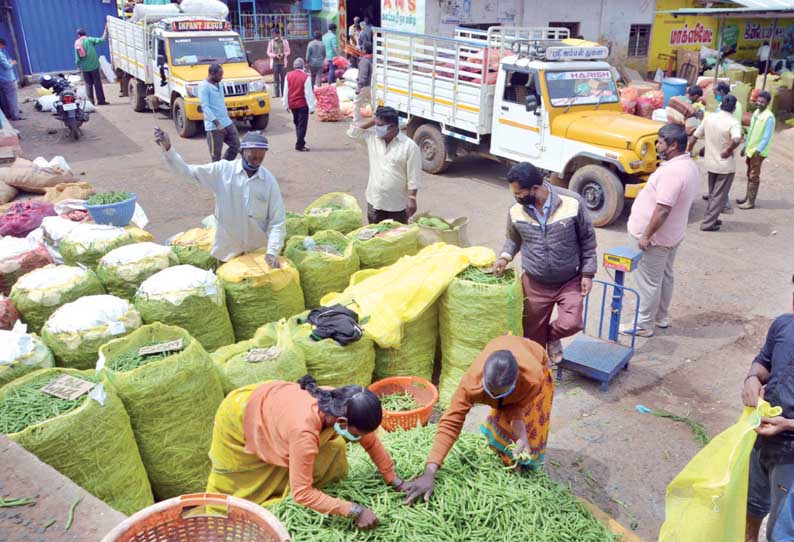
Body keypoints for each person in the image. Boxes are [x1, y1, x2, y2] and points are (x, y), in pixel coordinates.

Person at [206, 376, 406, 529]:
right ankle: (225, 517)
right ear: (342, 423)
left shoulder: (339, 403)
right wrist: (355, 511)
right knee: (247, 482)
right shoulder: (304, 432)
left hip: (278, 408)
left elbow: (370, 442)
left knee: (332, 449)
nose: (361, 437)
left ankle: (311, 488)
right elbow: (301, 494)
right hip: (242, 417)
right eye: (356, 434)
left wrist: (394, 479)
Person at [402, 336, 554, 503]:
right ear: (484, 380)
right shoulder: (471, 382)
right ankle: (504, 454)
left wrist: (522, 435)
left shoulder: (532, 378)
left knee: (530, 426)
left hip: (535, 359)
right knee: (502, 422)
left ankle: (521, 464)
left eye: (501, 393)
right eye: (491, 392)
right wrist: (429, 472)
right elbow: (451, 422)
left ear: (514, 383)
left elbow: (518, 406)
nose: (495, 397)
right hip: (503, 354)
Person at [493, 162, 597, 364]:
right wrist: (504, 257)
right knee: (532, 336)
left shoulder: (572, 202)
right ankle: (539, 371)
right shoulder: (516, 211)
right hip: (535, 283)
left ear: (535, 188)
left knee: (572, 323)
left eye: (520, 193)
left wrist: (588, 273)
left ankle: (553, 336)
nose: (516, 197)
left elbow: (587, 239)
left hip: (569, 280)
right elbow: (513, 239)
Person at [155, 128, 285, 266]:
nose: (256, 162)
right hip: (227, 252)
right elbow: (188, 172)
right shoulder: (222, 171)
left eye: (261, 158)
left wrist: (272, 251)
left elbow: (277, 221)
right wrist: (168, 148)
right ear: (242, 152)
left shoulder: (269, 181)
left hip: (257, 252)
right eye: (252, 157)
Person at [620, 124, 698, 338]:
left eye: (661, 142)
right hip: (671, 235)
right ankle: (661, 316)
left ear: (673, 145)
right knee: (664, 276)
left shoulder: (674, 172)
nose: (657, 145)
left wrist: (646, 235)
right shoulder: (688, 165)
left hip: (656, 238)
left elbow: (663, 209)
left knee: (648, 282)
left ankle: (644, 324)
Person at [741, 292, 794, 542]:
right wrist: (752, 378)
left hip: (790, 455)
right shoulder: (784, 324)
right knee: (751, 508)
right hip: (761, 439)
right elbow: (763, 361)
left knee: (781, 532)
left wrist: (787, 425)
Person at [348, 106, 420, 224]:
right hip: (375, 201)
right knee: (374, 236)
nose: (376, 128)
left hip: (396, 204)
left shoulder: (409, 147)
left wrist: (412, 198)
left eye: (379, 125)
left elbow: (413, 176)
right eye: (375, 125)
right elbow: (353, 132)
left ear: (392, 126)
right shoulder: (373, 138)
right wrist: (373, 121)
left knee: (397, 237)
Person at [687, 94, 742, 232]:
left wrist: (688, 151)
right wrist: (728, 150)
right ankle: (707, 224)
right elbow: (736, 139)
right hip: (725, 165)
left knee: (713, 193)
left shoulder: (709, 118)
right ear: (734, 108)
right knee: (719, 196)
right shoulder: (733, 122)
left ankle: (713, 217)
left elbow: (694, 137)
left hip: (710, 163)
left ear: (720, 105)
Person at [737, 91, 775, 210]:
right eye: (758, 101)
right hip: (750, 149)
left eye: (762, 102)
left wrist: (758, 150)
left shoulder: (769, 117)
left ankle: (751, 202)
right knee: (749, 173)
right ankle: (747, 197)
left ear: (768, 103)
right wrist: (745, 146)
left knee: (754, 175)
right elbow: (751, 132)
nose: (759, 103)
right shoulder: (756, 113)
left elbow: (766, 136)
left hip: (758, 151)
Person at [198, 64, 240, 162]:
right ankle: (217, 173)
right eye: (219, 75)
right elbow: (205, 107)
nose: (222, 77)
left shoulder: (219, 84)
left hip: (227, 122)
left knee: (236, 146)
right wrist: (217, 124)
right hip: (214, 127)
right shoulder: (204, 87)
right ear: (212, 74)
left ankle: (223, 166)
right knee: (215, 155)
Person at [283, 58, 315, 152]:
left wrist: (285, 104)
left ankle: (300, 141)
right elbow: (308, 94)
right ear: (303, 66)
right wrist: (311, 107)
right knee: (302, 125)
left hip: (292, 104)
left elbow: (285, 92)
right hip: (302, 105)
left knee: (297, 123)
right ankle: (300, 144)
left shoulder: (288, 75)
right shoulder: (306, 77)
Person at [75, 27, 109, 106]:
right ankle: (101, 101)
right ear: (85, 34)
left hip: (85, 68)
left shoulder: (77, 43)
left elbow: (77, 57)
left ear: (78, 35)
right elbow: (102, 39)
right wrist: (106, 30)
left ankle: (91, 102)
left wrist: (79, 67)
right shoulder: (89, 40)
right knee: (97, 84)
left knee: (88, 85)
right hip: (94, 66)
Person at [0, 39, 21, 121]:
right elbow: (7, 66)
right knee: (12, 97)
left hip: (1, 79)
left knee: (3, 98)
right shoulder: (0, 54)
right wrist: (12, 63)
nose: (3, 47)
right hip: (7, 79)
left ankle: (7, 114)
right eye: (3, 45)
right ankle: (15, 115)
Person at [267, 29, 290, 98]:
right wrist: (274, 55)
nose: (273, 36)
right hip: (275, 62)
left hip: (283, 63)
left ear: (278, 34)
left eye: (274, 34)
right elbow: (268, 52)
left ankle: (284, 93)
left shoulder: (285, 41)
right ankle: (277, 94)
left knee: (283, 78)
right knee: (276, 78)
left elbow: (288, 51)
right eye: (272, 34)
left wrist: (284, 54)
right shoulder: (271, 42)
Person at [354, 41, 372, 124]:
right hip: (372, 85)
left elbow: (363, 76)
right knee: (372, 104)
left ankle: (356, 121)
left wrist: (359, 87)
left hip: (365, 86)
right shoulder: (373, 59)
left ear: (364, 50)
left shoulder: (364, 61)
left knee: (356, 103)